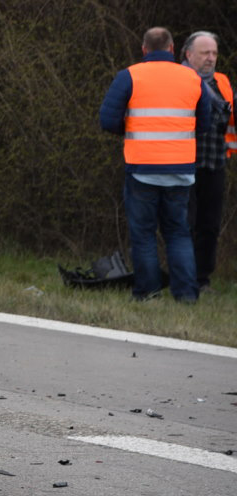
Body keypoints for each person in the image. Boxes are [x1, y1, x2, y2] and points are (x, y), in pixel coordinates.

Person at [99, 27, 204, 303]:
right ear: (172, 49)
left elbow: (107, 120)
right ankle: (186, 296)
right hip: (181, 170)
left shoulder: (130, 75)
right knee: (178, 233)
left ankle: (148, 292)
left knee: (143, 234)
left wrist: (133, 129)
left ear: (144, 49)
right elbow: (204, 121)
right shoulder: (192, 78)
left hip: (142, 168)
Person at [180, 31, 232, 292]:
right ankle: (185, 278)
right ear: (189, 55)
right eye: (204, 53)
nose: (210, 58)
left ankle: (202, 279)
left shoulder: (222, 81)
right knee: (184, 224)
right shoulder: (178, 79)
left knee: (209, 226)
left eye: (213, 53)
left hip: (214, 162)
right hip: (183, 162)